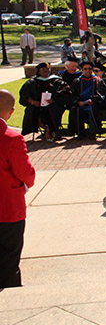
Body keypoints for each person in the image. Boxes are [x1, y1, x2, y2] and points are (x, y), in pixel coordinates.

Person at [0, 89, 36, 288]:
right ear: (11, 112)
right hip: (7, 209)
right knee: (9, 258)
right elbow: (25, 173)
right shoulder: (11, 139)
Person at [19, 62, 71, 141]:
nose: (46, 71)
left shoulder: (56, 80)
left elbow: (66, 92)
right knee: (31, 110)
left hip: (53, 104)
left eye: (47, 69)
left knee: (53, 109)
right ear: (39, 71)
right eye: (43, 69)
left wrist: (54, 99)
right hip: (37, 104)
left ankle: (53, 130)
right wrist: (32, 102)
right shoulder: (32, 82)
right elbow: (24, 96)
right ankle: (46, 128)